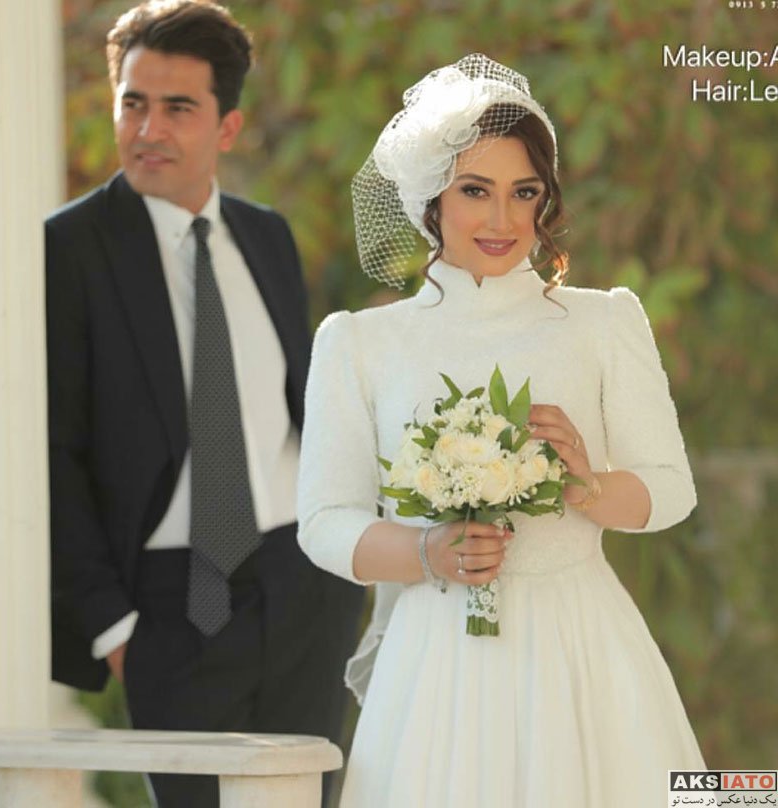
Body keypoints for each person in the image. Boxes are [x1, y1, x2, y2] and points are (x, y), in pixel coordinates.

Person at [297, 54, 705, 807]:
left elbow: (672, 490)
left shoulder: (604, 321)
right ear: (431, 197)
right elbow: (324, 523)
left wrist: (587, 486)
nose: (503, 220)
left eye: (525, 193)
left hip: (582, 649)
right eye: (475, 191)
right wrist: (426, 551)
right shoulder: (359, 343)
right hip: (436, 662)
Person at [45, 2, 362, 805]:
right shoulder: (64, 251)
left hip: (305, 582)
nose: (148, 129)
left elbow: (299, 408)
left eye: (178, 107)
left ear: (228, 127)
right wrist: (115, 630)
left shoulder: (267, 237)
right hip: (176, 603)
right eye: (133, 103)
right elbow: (51, 453)